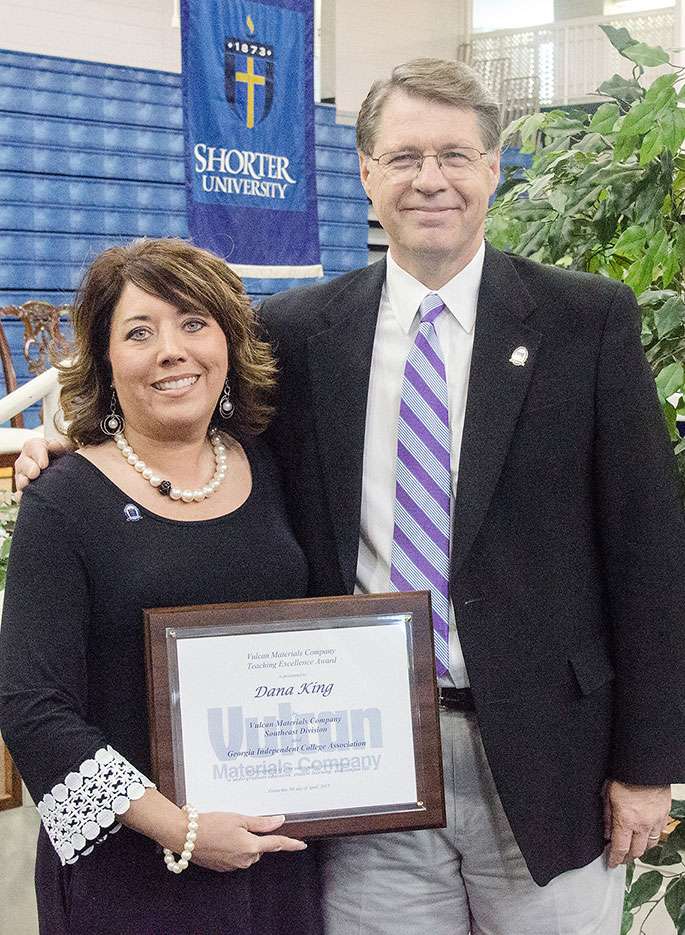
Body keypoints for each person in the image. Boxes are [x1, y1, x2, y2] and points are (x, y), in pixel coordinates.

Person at [15, 59, 685, 935]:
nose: (429, 179)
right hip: (357, 760)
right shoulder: (299, 332)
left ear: (492, 168)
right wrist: (80, 445)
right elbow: (191, 423)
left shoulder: (584, 320)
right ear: (366, 172)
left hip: (551, 756)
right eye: (403, 157)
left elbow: (648, 550)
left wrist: (647, 763)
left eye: (454, 155)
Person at [0, 239, 321, 935]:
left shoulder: (273, 465)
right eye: (139, 332)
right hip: (133, 870)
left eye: (193, 323)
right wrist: (182, 830)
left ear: (228, 345)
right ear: (105, 359)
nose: (171, 351)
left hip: (273, 855)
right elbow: (33, 709)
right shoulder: (64, 499)